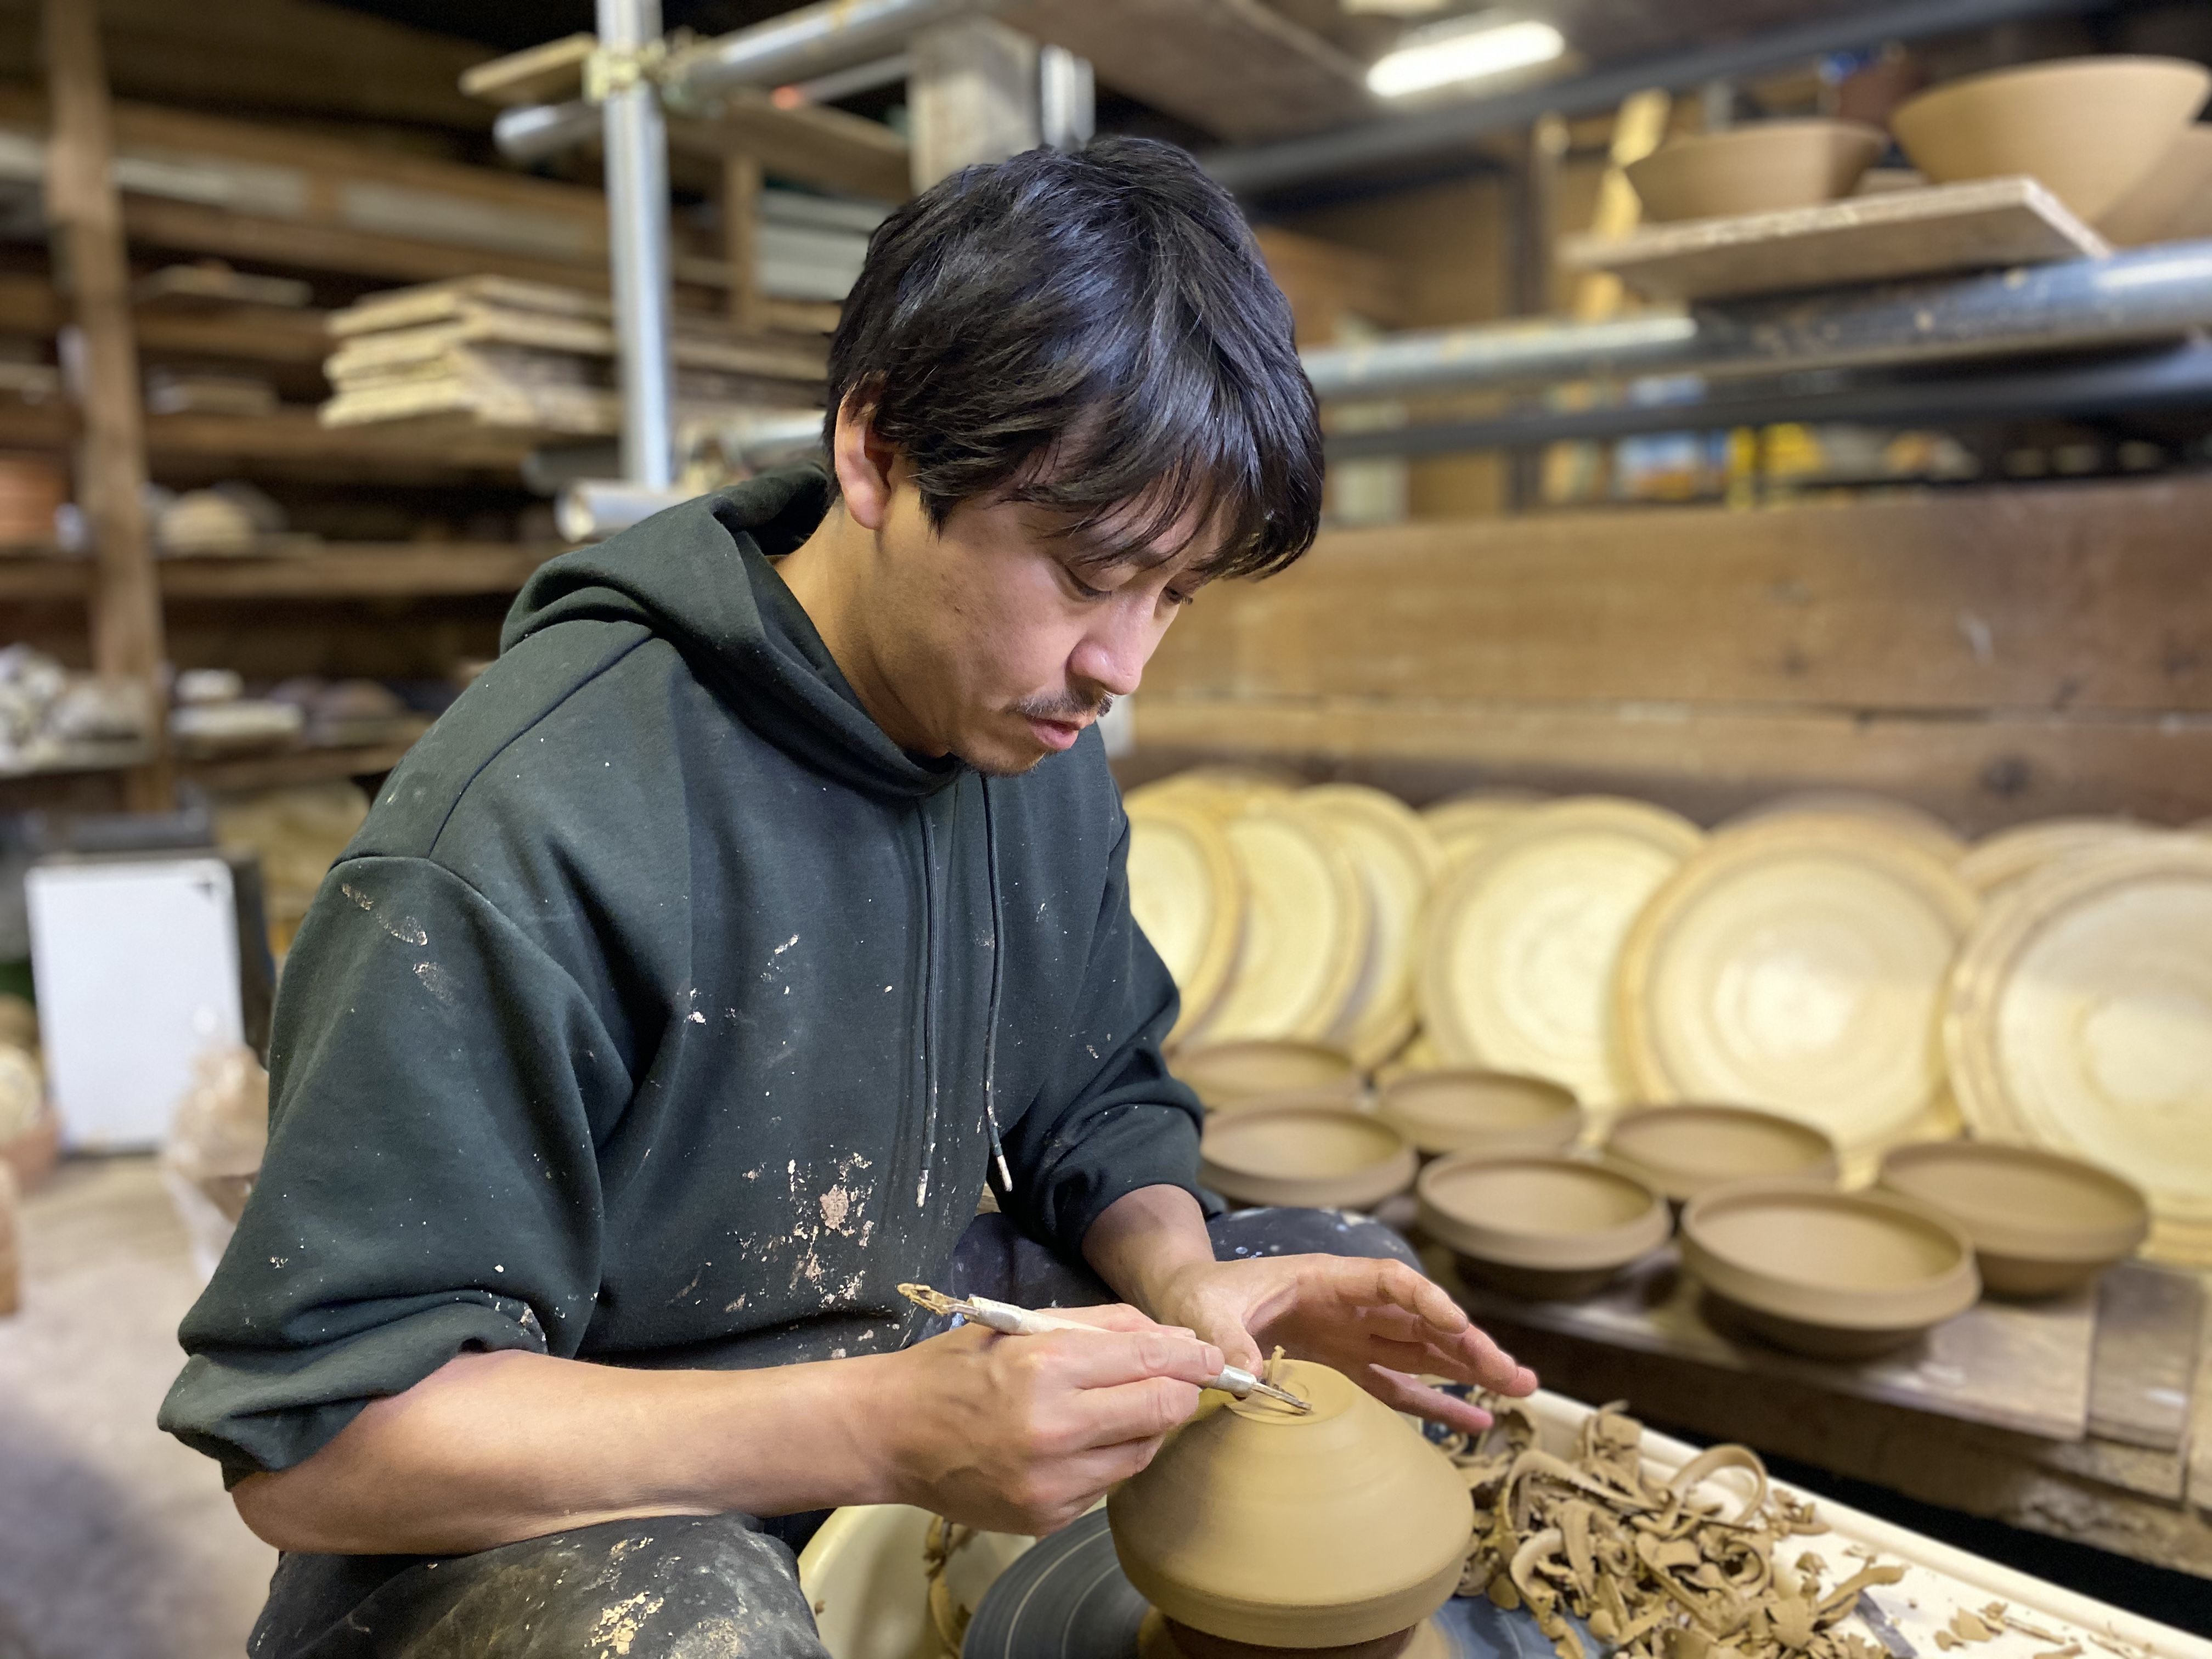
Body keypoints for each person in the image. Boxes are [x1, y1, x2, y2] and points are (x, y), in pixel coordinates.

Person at [159, 137, 1536, 1658]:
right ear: (875, 453)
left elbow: (1095, 1099)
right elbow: (322, 1438)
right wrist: (884, 1431)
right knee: (704, 1629)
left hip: (883, 1323)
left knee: (1345, 1285)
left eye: (1176, 596)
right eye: (1088, 574)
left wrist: (1188, 1282)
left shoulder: (1026, 727)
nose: (1126, 668)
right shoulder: (527, 828)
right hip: (554, 1491)